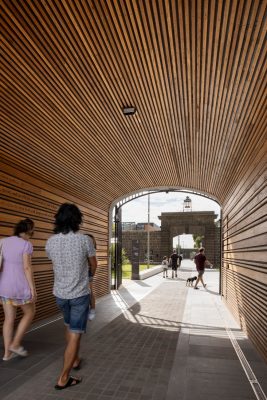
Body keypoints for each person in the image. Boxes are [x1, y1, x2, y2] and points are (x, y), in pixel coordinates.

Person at [45, 203, 97, 390]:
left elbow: (57, 263)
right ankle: (64, 378)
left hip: (60, 294)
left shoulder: (50, 242)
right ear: (77, 219)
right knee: (75, 334)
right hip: (79, 295)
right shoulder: (85, 240)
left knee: (69, 327)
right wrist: (88, 277)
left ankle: (74, 360)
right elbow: (93, 264)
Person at [0, 218, 36, 361]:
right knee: (30, 312)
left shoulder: (3, 241)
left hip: (4, 286)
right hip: (19, 287)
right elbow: (27, 268)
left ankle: (7, 354)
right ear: (29, 231)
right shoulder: (26, 245)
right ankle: (15, 344)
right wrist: (33, 289)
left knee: (9, 319)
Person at [87, 234, 97, 321]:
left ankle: (93, 309)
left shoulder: (92, 250)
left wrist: (91, 274)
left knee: (90, 292)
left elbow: (94, 264)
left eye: (90, 240)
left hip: (88, 273)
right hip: (81, 274)